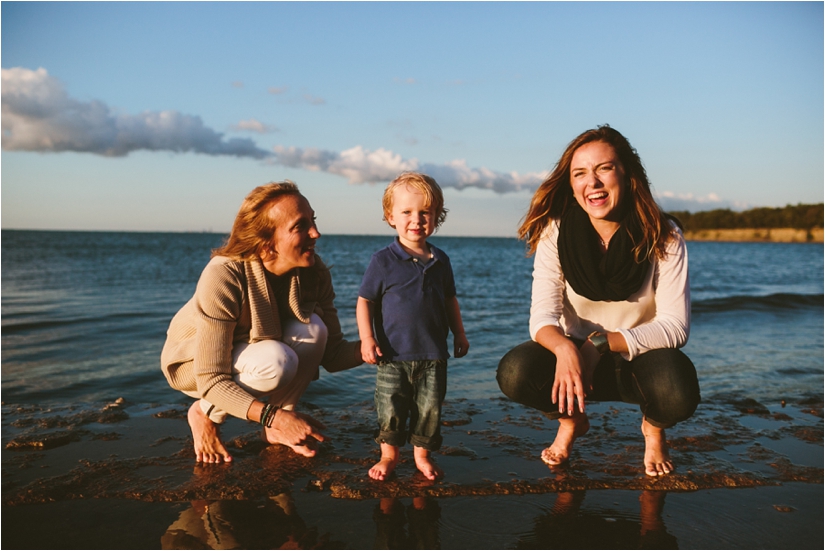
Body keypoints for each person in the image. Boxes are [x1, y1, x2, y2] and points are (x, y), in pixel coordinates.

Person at [496, 126, 700, 477]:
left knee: (677, 389)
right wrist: (565, 350)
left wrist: (600, 345)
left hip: (638, 360)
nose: (592, 182)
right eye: (580, 173)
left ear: (628, 174)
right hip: (574, 362)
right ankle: (571, 421)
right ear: (572, 185)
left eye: (604, 168)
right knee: (515, 372)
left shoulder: (663, 235)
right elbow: (542, 318)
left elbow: (674, 327)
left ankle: (653, 429)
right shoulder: (555, 232)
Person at [161, 182, 362, 463]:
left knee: (314, 330)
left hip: (254, 350)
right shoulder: (224, 275)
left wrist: (382, 344)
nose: (316, 233)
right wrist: (273, 416)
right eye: (300, 226)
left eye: (313, 221)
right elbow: (211, 378)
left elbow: (332, 354)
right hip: (195, 364)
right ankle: (204, 413)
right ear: (266, 241)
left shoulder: (314, 273)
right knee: (276, 361)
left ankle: (277, 430)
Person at [357, 172, 470, 481]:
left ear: (437, 217)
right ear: (391, 217)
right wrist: (367, 339)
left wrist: (459, 333)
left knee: (429, 408)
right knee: (391, 407)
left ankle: (422, 455)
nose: (416, 219)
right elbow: (365, 301)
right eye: (407, 212)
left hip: (434, 353)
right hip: (393, 355)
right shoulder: (382, 260)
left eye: (425, 212)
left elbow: (450, 300)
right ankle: (389, 455)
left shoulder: (441, 260)